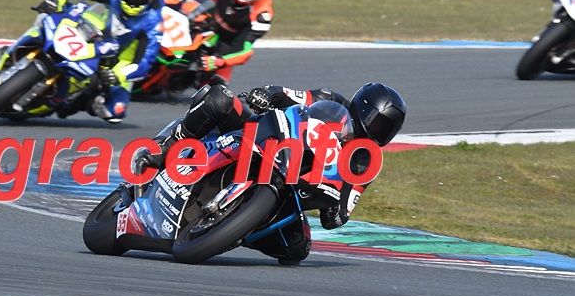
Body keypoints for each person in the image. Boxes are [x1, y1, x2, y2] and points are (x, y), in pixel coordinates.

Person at [140, 82, 407, 256]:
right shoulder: (329, 99)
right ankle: (166, 145)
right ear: (362, 108)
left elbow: (337, 216)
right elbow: (286, 94)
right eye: (378, 123)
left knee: (297, 248)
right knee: (220, 98)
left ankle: (235, 227)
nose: (378, 132)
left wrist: (334, 206)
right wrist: (266, 94)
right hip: (265, 139)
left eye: (387, 130)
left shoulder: (365, 162)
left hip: (292, 188)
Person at [30, 0, 166, 123]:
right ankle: (31, 42)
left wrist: (119, 74)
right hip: (91, 29)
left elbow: (145, 60)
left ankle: (75, 101)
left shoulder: (154, 22)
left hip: (119, 57)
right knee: (49, 13)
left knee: (116, 111)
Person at [159, 0, 275, 84]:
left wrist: (220, 61)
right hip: (209, 15)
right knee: (183, 0)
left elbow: (245, 49)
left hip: (227, 40)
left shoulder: (262, 16)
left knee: (217, 86)